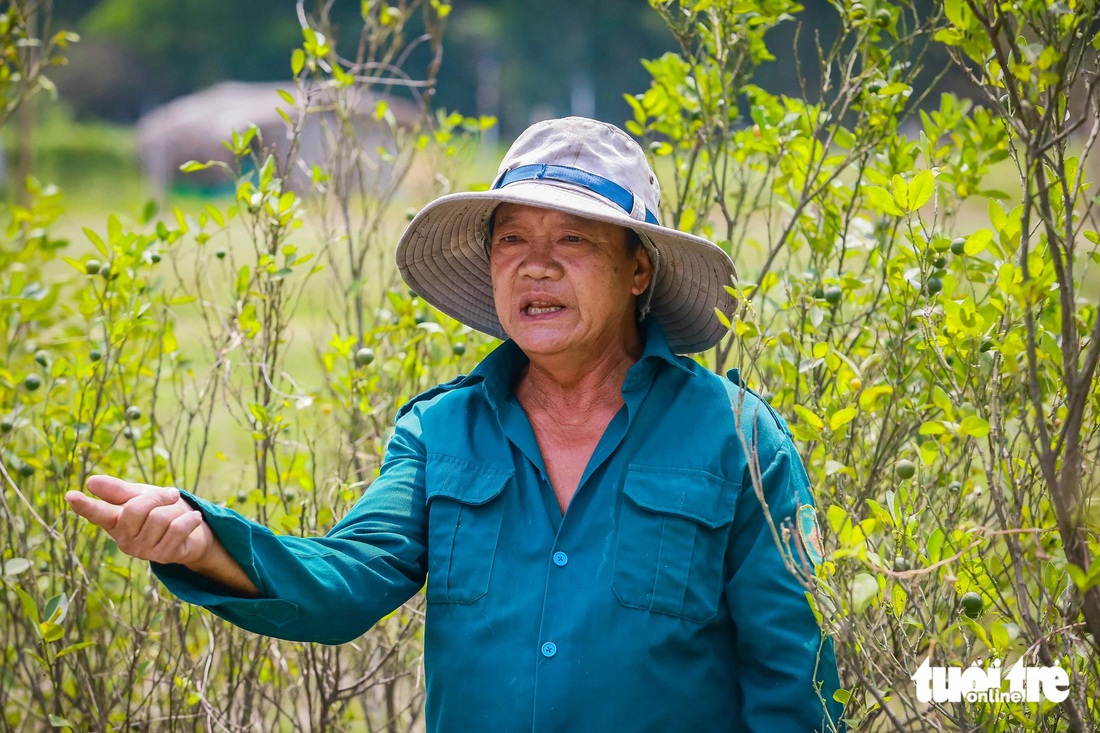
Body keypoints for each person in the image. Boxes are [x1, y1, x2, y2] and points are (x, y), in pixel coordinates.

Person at [67, 117, 844, 731]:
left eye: (572, 239)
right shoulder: (442, 432)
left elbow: (795, 680)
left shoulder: (737, 438)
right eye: (513, 239)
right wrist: (202, 539)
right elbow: (345, 582)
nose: (535, 265)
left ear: (637, 269)